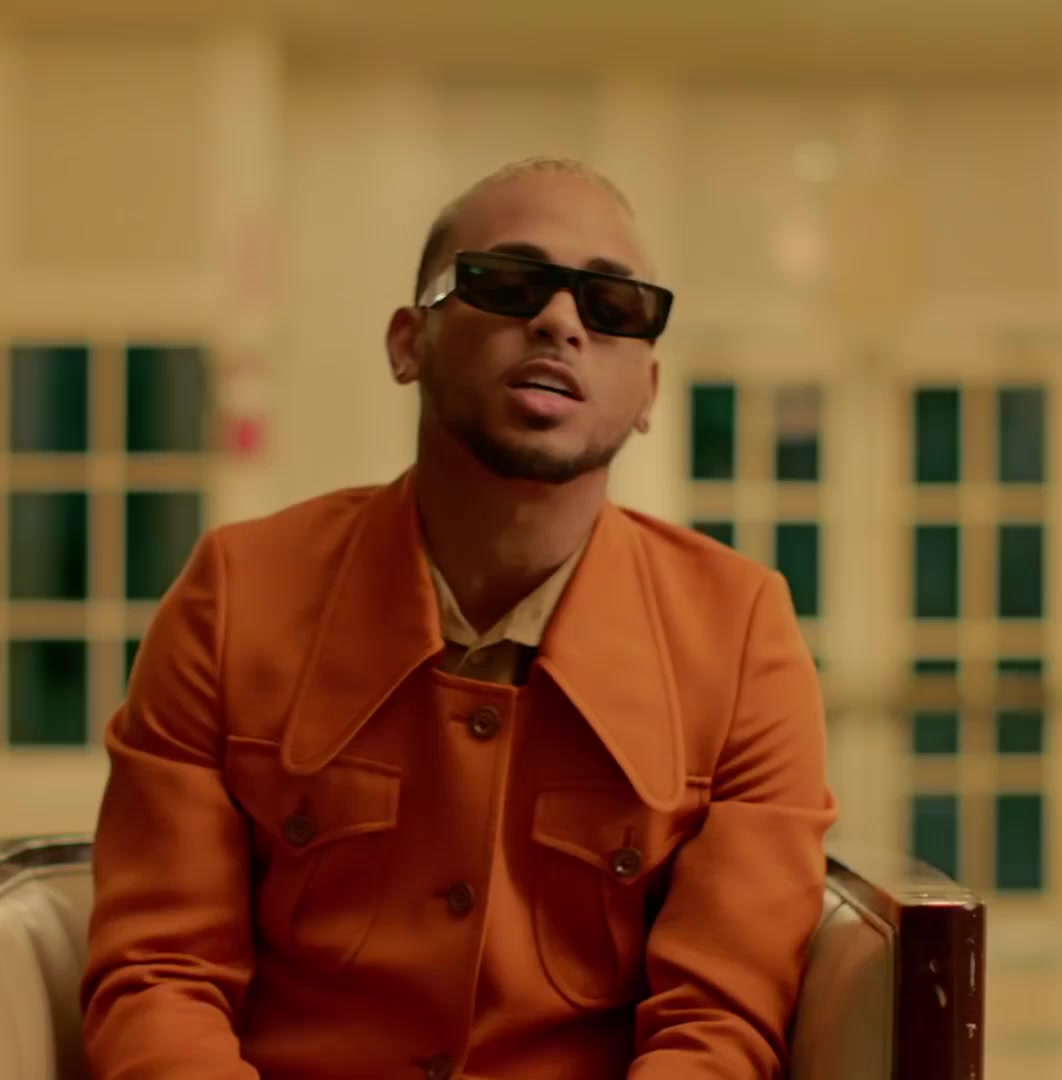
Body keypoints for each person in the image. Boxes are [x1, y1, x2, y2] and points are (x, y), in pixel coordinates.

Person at [80, 156, 835, 1079]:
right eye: (508, 283)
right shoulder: (236, 596)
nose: (560, 321)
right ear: (409, 343)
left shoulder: (741, 635)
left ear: (648, 393)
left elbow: (719, 1026)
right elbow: (161, 976)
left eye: (613, 306)